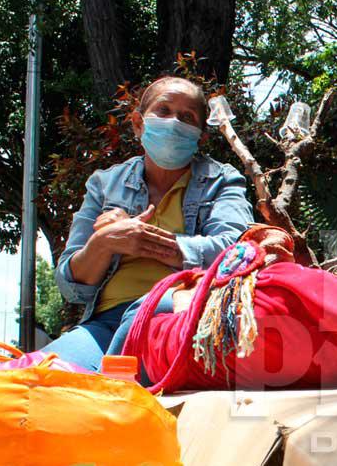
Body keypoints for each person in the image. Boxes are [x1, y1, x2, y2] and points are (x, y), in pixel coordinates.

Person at [43, 76, 254, 372]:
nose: (174, 122)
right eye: (164, 110)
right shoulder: (103, 184)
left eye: (187, 117)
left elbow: (238, 250)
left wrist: (146, 240)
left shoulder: (222, 180)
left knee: (126, 348)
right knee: (36, 375)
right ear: (138, 124)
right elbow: (72, 286)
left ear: (200, 136)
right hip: (105, 325)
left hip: (183, 314)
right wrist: (104, 242)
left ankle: (113, 383)